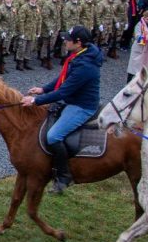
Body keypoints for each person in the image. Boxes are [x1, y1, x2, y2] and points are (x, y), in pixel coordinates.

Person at [21, 25, 103, 194]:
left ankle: (64, 175)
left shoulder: (85, 65)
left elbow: (64, 91)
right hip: (74, 101)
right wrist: (44, 89)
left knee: (53, 136)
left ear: (78, 43)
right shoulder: (81, 55)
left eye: (68, 39)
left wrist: (36, 101)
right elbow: (63, 78)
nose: (65, 41)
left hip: (81, 106)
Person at [126, 9, 148, 83]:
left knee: (143, 69)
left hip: (145, 50)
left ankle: (141, 83)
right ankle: (128, 83)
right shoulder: (139, 24)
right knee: (133, 69)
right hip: (138, 49)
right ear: (144, 17)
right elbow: (138, 37)